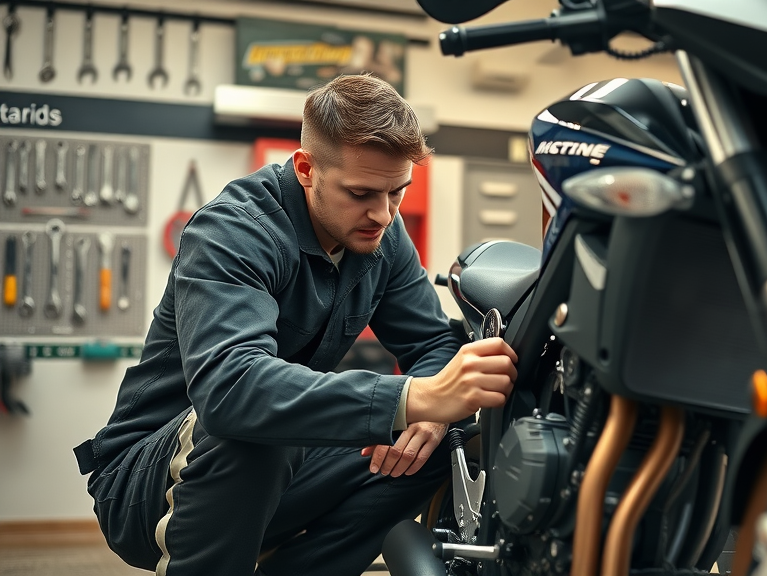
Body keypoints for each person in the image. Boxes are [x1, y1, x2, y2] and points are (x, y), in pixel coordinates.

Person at [72, 73, 518, 576]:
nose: (384, 214)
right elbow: (232, 390)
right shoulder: (232, 231)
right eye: (361, 192)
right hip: (147, 485)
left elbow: (434, 341)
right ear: (306, 169)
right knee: (263, 427)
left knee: (440, 446)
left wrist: (434, 416)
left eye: (398, 192)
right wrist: (413, 398)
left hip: (273, 469)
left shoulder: (381, 239)